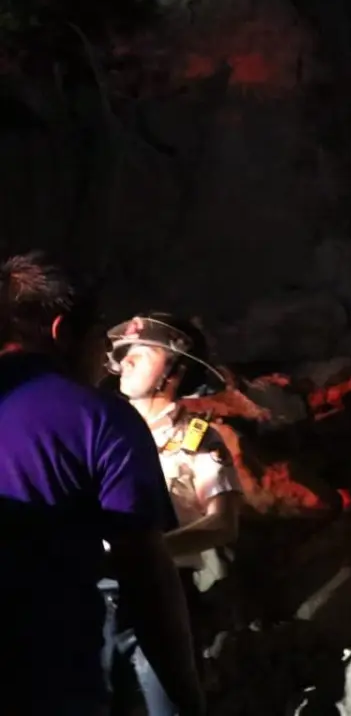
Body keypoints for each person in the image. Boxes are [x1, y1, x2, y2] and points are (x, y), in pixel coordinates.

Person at [0, 253, 203, 715]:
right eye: (102, 343)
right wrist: (186, 698)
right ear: (61, 332)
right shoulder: (100, 420)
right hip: (51, 683)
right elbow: (147, 576)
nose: (113, 364)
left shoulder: (193, 432)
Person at [102, 313, 244, 715]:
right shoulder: (99, 430)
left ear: (175, 371)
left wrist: (148, 551)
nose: (126, 361)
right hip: (93, 592)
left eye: (142, 354)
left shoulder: (196, 439)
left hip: (162, 593)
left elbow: (223, 523)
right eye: (125, 353)